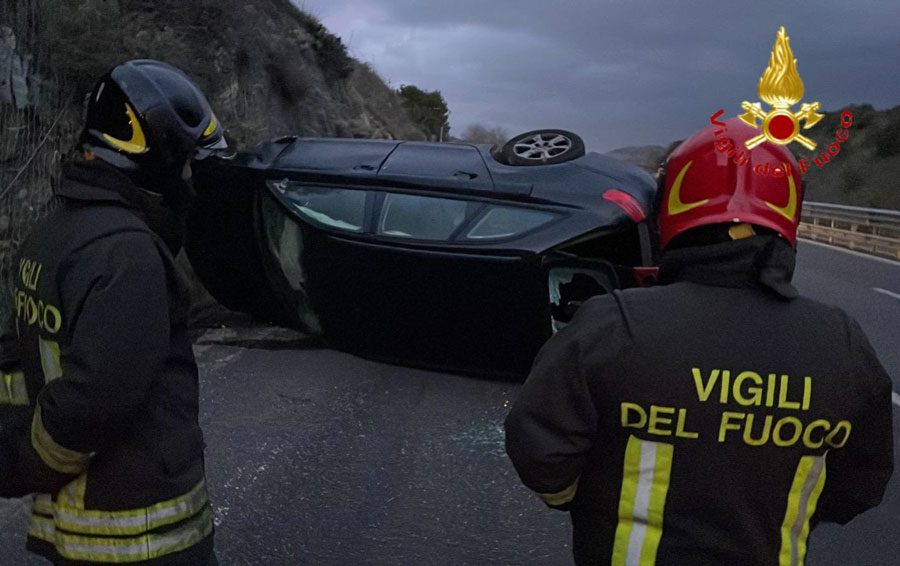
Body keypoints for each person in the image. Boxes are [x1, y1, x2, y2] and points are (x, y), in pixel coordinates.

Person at [504, 118, 894, 566]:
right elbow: (858, 487)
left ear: (671, 206)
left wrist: (595, 499)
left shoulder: (614, 324)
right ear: (787, 215)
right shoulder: (842, 344)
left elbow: (540, 453)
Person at [0, 59, 227, 565]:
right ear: (159, 156)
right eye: (187, 160)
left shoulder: (53, 235)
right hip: (142, 530)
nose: (190, 175)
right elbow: (98, 396)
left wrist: (17, 458)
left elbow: (20, 363)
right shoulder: (129, 253)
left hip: (75, 527)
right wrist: (35, 463)